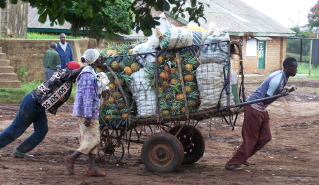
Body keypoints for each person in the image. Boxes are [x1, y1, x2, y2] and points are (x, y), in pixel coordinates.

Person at [225, 57, 298, 171]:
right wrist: (281, 94)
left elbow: (273, 94)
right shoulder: (277, 79)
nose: (296, 70)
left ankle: (243, 157)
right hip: (254, 108)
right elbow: (265, 100)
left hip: (262, 110)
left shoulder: (283, 76)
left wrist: (284, 91)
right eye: (294, 68)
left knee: (265, 137)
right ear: (288, 67)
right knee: (251, 138)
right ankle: (232, 163)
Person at [0, 61, 84, 158]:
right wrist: (87, 67)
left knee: (42, 130)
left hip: (40, 105)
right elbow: (75, 71)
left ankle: (20, 150)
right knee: (17, 128)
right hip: (32, 101)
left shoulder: (68, 82)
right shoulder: (62, 73)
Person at [64, 49, 107, 177]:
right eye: (99, 57)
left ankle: (91, 169)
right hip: (87, 113)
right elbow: (87, 97)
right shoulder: (88, 74)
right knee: (94, 140)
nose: (100, 59)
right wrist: (88, 116)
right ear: (95, 60)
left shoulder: (91, 72)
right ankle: (71, 158)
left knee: (89, 139)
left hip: (90, 111)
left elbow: (92, 93)